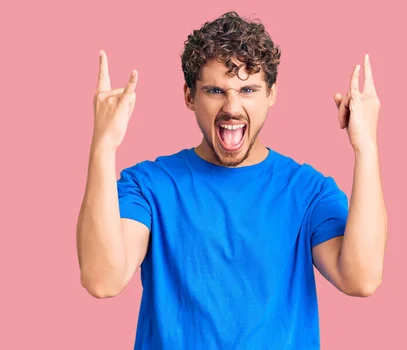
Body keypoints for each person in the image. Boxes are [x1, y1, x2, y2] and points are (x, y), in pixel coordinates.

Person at [76, 11, 387, 350]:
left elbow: (362, 278)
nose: (232, 107)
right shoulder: (148, 186)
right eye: (214, 90)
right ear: (189, 96)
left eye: (248, 89)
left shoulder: (308, 191)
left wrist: (366, 148)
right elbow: (102, 280)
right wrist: (103, 147)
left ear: (271, 94)